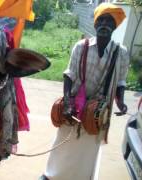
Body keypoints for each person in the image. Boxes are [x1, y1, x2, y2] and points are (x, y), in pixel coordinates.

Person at [40, 3, 129, 180]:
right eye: (101, 20)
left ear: (115, 25)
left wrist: (121, 102)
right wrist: (66, 101)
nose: (104, 24)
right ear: (95, 24)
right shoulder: (82, 46)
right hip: (74, 106)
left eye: (109, 21)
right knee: (64, 143)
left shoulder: (121, 53)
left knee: (89, 149)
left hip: (98, 112)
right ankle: (51, 176)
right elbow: (69, 75)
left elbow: (120, 81)